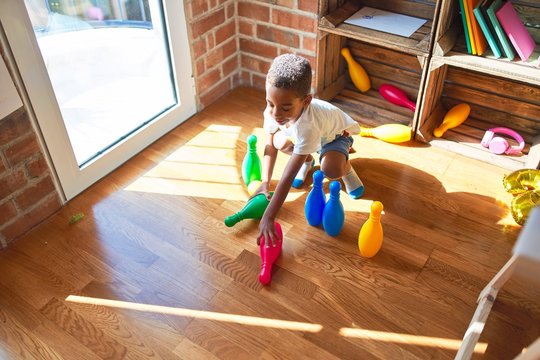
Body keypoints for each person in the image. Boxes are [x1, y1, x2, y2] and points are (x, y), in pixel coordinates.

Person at [255, 53, 364, 247]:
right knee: (279, 141)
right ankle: (307, 160)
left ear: (306, 101)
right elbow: (270, 145)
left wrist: (269, 216)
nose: (276, 113)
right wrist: (265, 183)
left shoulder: (308, 125)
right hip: (305, 139)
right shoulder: (273, 112)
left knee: (330, 170)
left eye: (286, 108)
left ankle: (346, 168)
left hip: (336, 137)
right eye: (270, 103)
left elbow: (288, 175)